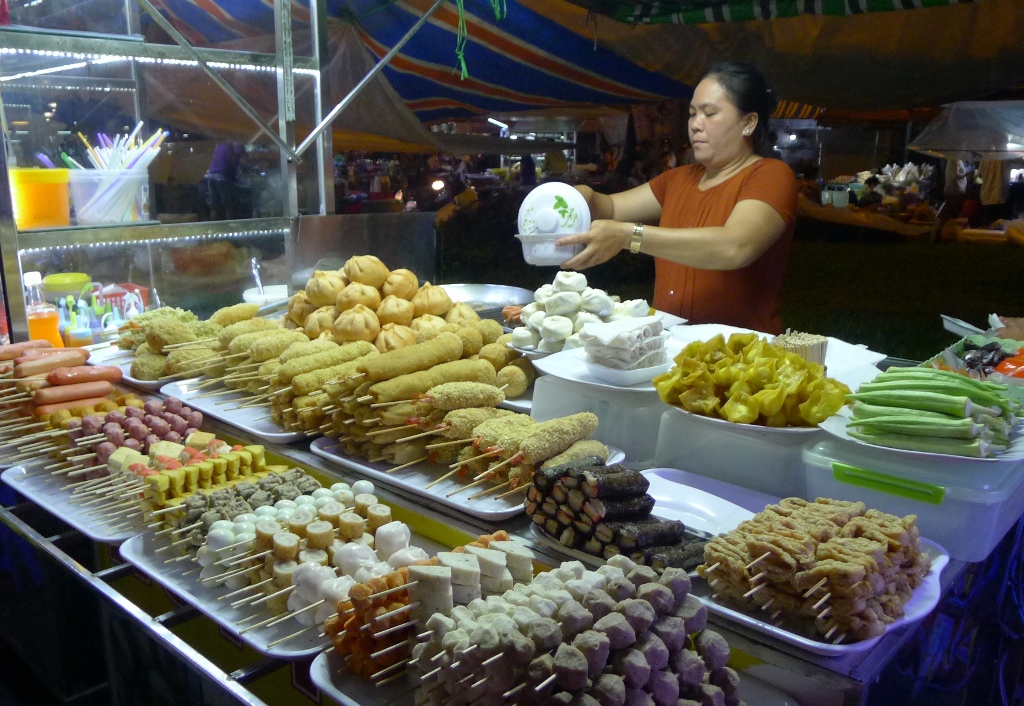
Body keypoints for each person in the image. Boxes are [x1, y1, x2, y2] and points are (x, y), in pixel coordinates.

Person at [556, 61, 797, 334]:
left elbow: (736, 246)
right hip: (670, 351)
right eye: (693, 114)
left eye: (710, 113)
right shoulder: (679, 179)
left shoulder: (770, 175)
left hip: (743, 358)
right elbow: (610, 207)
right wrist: (576, 196)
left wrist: (629, 236)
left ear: (748, 123)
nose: (695, 125)